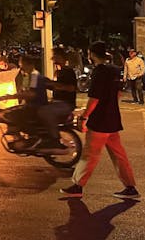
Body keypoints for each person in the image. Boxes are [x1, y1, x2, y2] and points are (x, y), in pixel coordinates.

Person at [60, 41, 139, 199]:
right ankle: (130, 187)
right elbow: (117, 95)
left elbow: (94, 98)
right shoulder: (114, 70)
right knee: (119, 155)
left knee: (89, 154)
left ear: (92, 54)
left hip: (99, 121)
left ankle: (78, 185)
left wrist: (84, 116)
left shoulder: (98, 72)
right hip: (113, 119)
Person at [38, 48, 78, 153]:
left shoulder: (68, 71)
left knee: (45, 112)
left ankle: (55, 139)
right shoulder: (58, 72)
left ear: (61, 57)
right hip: (57, 103)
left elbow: (71, 88)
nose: (52, 58)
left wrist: (53, 84)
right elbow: (56, 87)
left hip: (65, 104)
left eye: (54, 56)